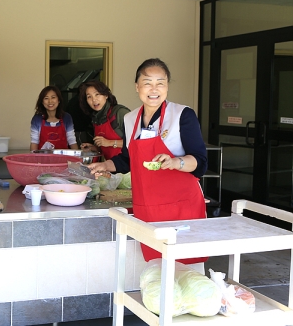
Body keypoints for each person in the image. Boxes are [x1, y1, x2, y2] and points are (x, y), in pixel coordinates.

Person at [87, 58, 208, 264]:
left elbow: (200, 162)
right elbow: (127, 159)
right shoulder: (130, 119)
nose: (154, 89)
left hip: (181, 207)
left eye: (160, 82)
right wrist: (105, 165)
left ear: (167, 86)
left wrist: (176, 162)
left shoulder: (182, 115)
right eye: (147, 83)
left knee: (187, 269)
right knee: (156, 267)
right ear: (137, 87)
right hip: (148, 206)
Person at [79, 80, 130, 160]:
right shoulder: (96, 119)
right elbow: (105, 147)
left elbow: (137, 142)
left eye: (97, 94)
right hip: (111, 165)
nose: (94, 99)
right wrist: (94, 148)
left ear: (106, 95)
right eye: (89, 97)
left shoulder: (120, 113)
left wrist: (109, 142)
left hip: (129, 165)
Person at [30, 85, 78, 151]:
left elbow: (71, 140)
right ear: (42, 102)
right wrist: (33, 157)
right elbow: (34, 142)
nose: (50, 101)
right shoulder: (37, 119)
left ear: (59, 100)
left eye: (53, 97)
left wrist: (77, 155)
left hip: (63, 156)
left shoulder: (67, 117)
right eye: (46, 98)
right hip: (43, 157)